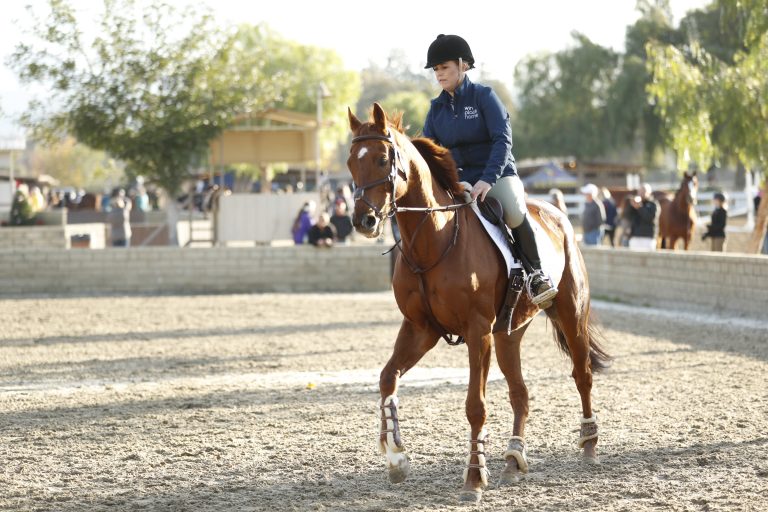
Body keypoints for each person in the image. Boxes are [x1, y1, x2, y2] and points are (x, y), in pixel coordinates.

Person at [422, 34, 557, 306]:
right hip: (459, 181)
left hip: (496, 174)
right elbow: (431, 154)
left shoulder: (484, 96)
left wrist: (487, 179)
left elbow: (502, 140)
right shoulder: (436, 110)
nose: (439, 74)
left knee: (515, 212)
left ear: (462, 65)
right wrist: (450, 183)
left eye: (444, 67)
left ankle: (536, 275)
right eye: (435, 69)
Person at [626, 183, 659, 250]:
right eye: (639, 191)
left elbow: (649, 218)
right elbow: (628, 217)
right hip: (635, 236)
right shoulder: (636, 203)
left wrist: (640, 208)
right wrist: (631, 206)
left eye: (643, 191)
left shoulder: (653, 204)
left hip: (648, 238)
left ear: (649, 193)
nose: (641, 193)